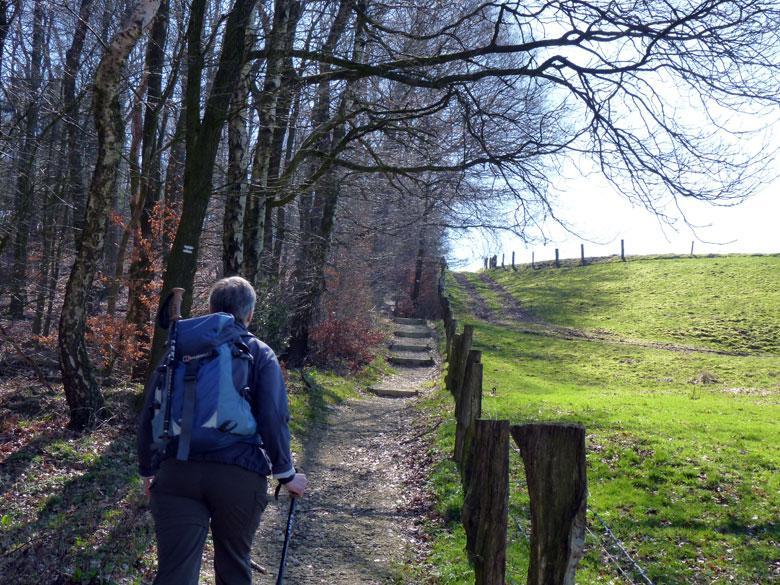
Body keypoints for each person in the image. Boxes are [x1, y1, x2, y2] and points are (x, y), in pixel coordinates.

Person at [137, 276, 308, 585]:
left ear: (211, 309)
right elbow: (273, 416)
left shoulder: (178, 349)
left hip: (177, 472)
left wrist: (149, 470)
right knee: (233, 567)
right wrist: (286, 474)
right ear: (250, 314)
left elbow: (150, 409)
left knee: (175, 574)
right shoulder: (258, 352)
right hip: (239, 476)